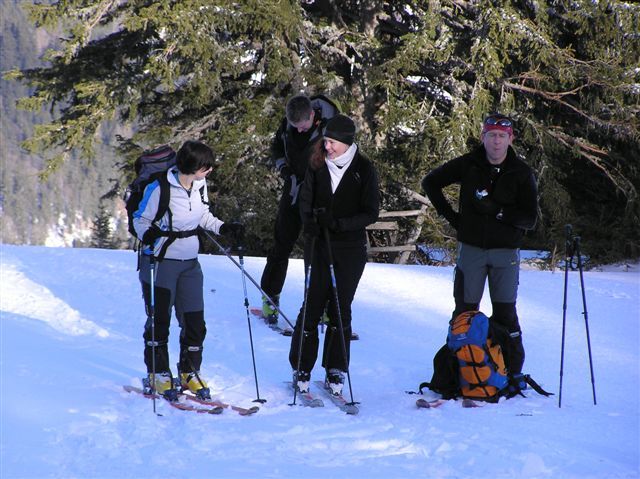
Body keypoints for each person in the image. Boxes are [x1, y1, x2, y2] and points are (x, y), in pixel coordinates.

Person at [421, 113, 537, 392]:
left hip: (505, 253)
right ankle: (456, 374)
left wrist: (499, 211)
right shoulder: (469, 164)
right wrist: (453, 218)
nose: (496, 142)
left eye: (502, 136)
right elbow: (431, 182)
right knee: (464, 313)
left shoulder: (521, 172)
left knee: (505, 314)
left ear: (510, 139)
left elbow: (530, 219)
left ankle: (509, 373)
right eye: (492, 135)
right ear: (483, 137)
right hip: (472, 250)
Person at [133, 140, 244, 401]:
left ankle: (189, 371)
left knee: (195, 322)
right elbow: (140, 218)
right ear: (193, 167)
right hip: (161, 262)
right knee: (159, 321)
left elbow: (203, 215)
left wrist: (224, 228)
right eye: (206, 167)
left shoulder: (199, 185)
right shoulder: (160, 188)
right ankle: (158, 372)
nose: (210, 170)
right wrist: (147, 234)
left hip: (190, 263)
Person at [289, 114, 379, 396]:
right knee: (312, 304)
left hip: (349, 248)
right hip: (319, 244)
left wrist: (339, 223)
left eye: (332, 142)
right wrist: (310, 223)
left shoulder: (364, 169)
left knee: (340, 307)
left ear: (347, 142)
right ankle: (301, 365)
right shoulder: (317, 164)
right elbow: (305, 200)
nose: (327, 146)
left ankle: (335, 367)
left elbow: (370, 212)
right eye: (325, 141)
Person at [260, 94, 339, 323]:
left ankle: (321, 306)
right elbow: (276, 148)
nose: (300, 130)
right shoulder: (288, 125)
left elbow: (343, 157)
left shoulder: (330, 125)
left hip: (320, 193)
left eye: (303, 126)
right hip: (294, 189)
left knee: (318, 249)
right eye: (295, 126)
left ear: (312, 115)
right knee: (281, 244)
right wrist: (283, 168)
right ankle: (270, 299)